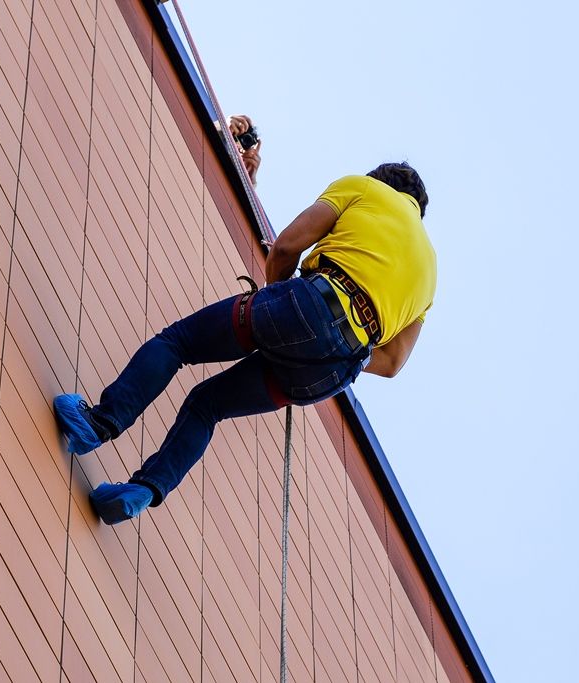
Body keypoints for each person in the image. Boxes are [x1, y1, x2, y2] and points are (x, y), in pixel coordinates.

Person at [54, 162, 436, 524]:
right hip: (338, 366)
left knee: (179, 343)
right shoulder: (430, 273)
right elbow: (391, 363)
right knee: (208, 407)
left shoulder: (366, 189)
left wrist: (281, 305)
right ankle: (143, 490)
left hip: (310, 303)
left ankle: (97, 425)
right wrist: (331, 342)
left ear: (383, 181)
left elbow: (286, 247)